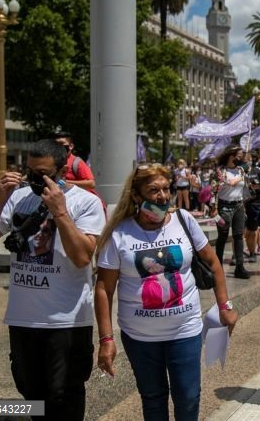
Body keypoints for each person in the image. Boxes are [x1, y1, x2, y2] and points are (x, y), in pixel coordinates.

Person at [0, 139, 106, 420]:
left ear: (61, 171)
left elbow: (82, 257)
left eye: (42, 172)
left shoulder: (86, 202)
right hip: (23, 318)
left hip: (66, 321)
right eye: (29, 170)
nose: (34, 177)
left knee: (63, 394)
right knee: (29, 391)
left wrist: (60, 211)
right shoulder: (19, 198)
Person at [93, 163, 236, 421]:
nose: (162, 196)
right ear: (137, 196)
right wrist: (106, 340)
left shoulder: (183, 220)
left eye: (166, 189)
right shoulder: (119, 233)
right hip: (139, 337)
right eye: (153, 191)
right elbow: (104, 288)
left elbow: (214, 263)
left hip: (185, 329)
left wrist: (225, 306)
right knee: (153, 399)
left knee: (188, 396)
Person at [211, 146, 250, 279]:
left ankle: (240, 267)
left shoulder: (241, 170)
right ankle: (218, 267)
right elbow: (216, 188)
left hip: (238, 206)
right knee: (222, 237)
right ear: (231, 156)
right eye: (239, 155)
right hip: (224, 207)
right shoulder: (220, 171)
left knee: (238, 236)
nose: (242, 158)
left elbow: (244, 184)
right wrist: (213, 208)